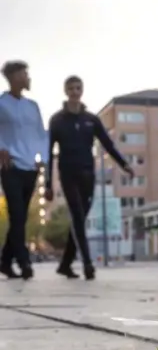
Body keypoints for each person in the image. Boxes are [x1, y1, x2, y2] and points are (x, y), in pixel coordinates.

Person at [47, 75, 134, 280]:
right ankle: (87, 263)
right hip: (67, 174)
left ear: (82, 90)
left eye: (78, 88)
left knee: (80, 219)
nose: (75, 92)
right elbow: (49, 152)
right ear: (65, 91)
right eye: (71, 88)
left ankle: (65, 264)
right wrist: (49, 184)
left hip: (88, 175)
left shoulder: (91, 120)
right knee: (77, 216)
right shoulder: (57, 120)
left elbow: (108, 144)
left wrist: (124, 164)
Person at [0, 61, 48, 280]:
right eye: (24, 73)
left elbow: (41, 134)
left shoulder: (33, 106)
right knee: (17, 214)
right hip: (10, 167)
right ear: (12, 76)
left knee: (20, 219)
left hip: (30, 168)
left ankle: (4, 261)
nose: (28, 77)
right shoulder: (2, 104)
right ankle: (24, 261)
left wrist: (42, 159)